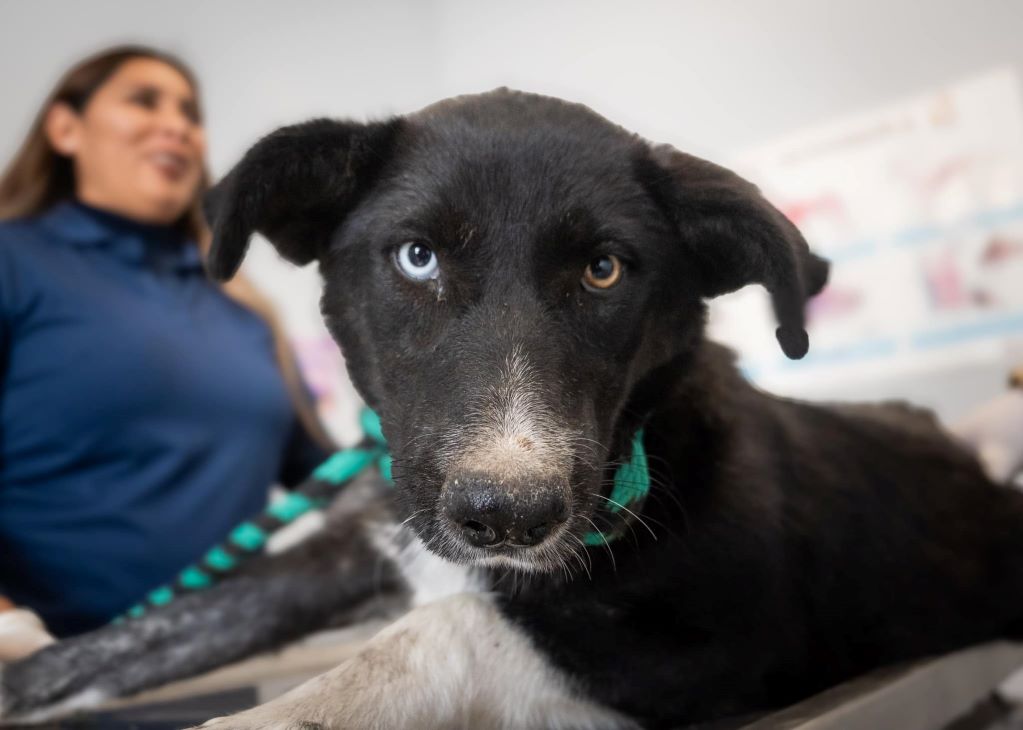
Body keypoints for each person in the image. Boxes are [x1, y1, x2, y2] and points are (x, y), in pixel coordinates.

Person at [0, 46, 334, 651]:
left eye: (189, 111)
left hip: (213, 673)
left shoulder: (242, 309)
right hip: (40, 679)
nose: (177, 125)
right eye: (143, 100)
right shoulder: (13, 263)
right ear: (65, 128)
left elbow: (327, 474)